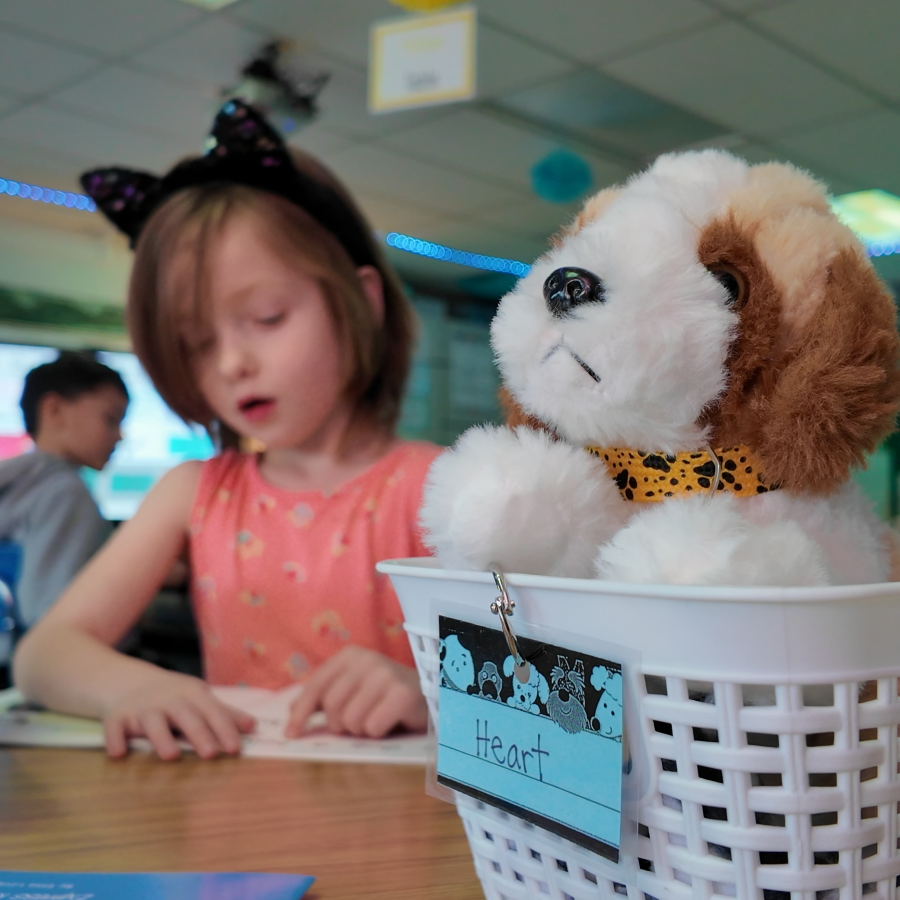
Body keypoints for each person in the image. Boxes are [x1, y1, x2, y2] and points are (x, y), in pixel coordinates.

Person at [13, 99, 441, 760]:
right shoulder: (194, 492)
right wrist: (132, 687)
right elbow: (44, 655)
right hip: (236, 832)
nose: (232, 363)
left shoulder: (441, 486)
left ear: (362, 300)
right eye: (195, 344)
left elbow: (570, 693)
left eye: (267, 317)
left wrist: (430, 692)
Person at [0, 352, 128, 643]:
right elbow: (57, 622)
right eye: (110, 420)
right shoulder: (65, 495)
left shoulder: (17, 485)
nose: (119, 436)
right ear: (54, 410)